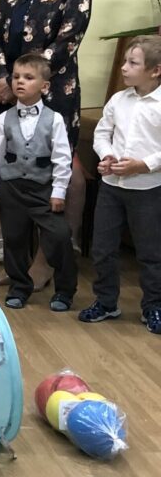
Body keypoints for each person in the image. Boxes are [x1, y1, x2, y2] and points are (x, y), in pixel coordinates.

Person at [0, 0, 92, 288]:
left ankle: (47, 261)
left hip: (55, 91)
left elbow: (68, 40)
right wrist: (4, 79)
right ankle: (15, 261)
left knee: (59, 171)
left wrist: (32, 79)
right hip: (9, 89)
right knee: (9, 167)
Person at [78, 36, 161, 334]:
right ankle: (106, 302)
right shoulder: (118, 100)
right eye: (125, 61)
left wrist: (143, 165)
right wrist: (106, 155)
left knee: (151, 252)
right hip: (112, 187)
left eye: (132, 63)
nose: (124, 68)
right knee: (103, 248)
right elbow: (102, 133)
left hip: (148, 190)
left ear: (155, 70)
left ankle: (154, 306)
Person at [0, 54, 76, 310]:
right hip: (11, 187)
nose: (20, 82)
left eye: (28, 77)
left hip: (43, 189)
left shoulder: (54, 119)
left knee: (59, 236)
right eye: (16, 77)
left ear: (44, 86)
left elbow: (62, 157)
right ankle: (19, 287)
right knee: (14, 239)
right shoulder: (4, 119)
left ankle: (65, 290)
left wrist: (58, 191)